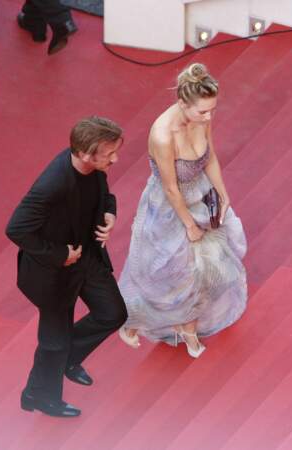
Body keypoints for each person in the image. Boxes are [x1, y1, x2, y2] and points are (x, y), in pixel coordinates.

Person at [118, 62, 247, 358]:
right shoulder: (163, 135)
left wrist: (223, 194)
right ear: (181, 104)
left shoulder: (202, 118)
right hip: (169, 208)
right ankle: (141, 323)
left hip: (200, 194)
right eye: (202, 111)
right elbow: (170, 188)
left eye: (212, 110)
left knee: (206, 268)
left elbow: (209, 156)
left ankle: (187, 327)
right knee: (171, 273)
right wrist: (189, 224)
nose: (208, 117)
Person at [5, 116, 127, 417]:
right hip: (54, 273)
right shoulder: (53, 184)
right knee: (53, 342)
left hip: (87, 257)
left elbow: (103, 195)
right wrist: (60, 254)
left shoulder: (94, 169)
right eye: (109, 153)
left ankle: (68, 360)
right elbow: (16, 229)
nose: (116, 158)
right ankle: (38, 395)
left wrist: (110, 212)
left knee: (114, 313)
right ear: (86, 153)